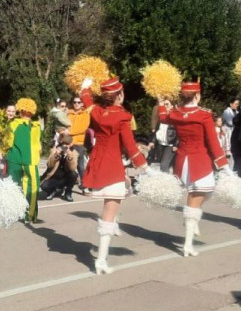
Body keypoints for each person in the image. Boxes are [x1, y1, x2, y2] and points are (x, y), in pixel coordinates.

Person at [81, 78, 150, 274]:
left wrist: (85, 87)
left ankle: (102, 257)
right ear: (120, 95)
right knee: (109, 214)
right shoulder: (122, 117)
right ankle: (101, 260)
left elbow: (86, 100)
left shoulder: (96, 112)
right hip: (112, 168)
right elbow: (130, 147)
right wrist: (145, 167)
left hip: (97, 164)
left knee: (110, 210)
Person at [159, 81, 230, 257]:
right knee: (195, 200)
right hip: (199, 162)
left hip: (182, 161)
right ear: (197, 96)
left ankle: (192, 223)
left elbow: (163, 118)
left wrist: (161, 103)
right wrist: (223, 165)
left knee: (206, 193)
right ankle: (188, 244)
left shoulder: (176, 113)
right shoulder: (203, 115)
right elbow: (213, 142)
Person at [7, 98, 43, 223]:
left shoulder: (13, 124)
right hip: (30, 161)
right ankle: (30, 215)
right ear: (32, 112)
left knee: (14, 187)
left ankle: (15, 212)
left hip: (14, 159)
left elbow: (8, 142)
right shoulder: (36, 126)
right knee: (32, 188)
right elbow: (37, 145)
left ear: (20, 111)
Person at [40, 134, 78, 201]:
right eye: (64, 143)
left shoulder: (74, 152)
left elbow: (73, 168)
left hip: (65, 178)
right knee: (44, 186)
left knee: (74, 174)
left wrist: (69, 157)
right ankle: (53, 191)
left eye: (67, 144)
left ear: (71, 144)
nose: (65, 146)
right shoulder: (55, 150)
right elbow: (49, 165)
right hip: (54, 177)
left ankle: (68, 192)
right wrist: (56, 155)